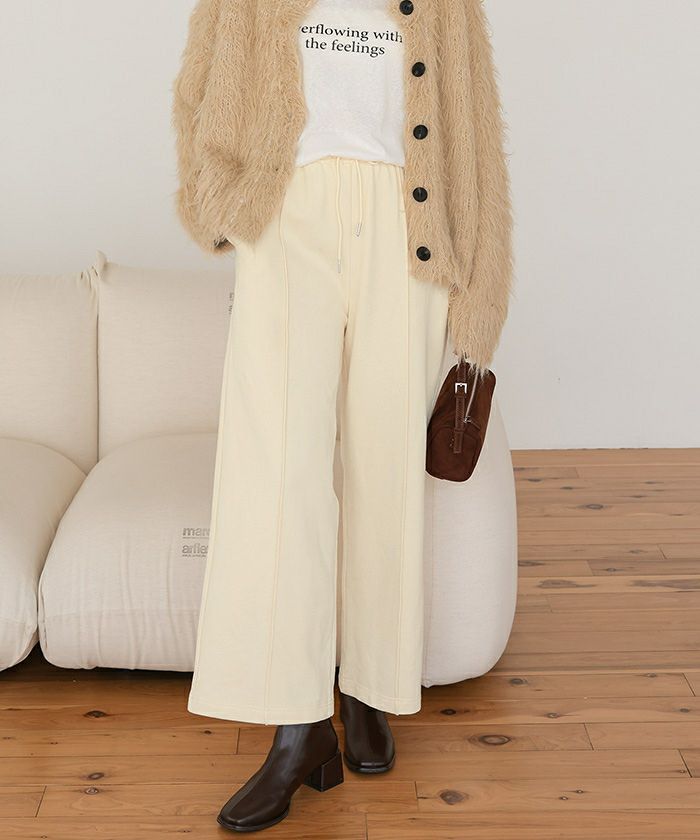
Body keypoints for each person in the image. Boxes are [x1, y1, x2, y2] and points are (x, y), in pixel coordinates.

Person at [172, 0, 512, 831]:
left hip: (407, 223)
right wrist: (212, 196)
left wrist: (482, 289)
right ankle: (297, 728)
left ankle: (368, 686)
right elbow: (200, 81)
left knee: (384, 468)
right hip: (286, 213)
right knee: (277, 476)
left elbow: (471, 120)